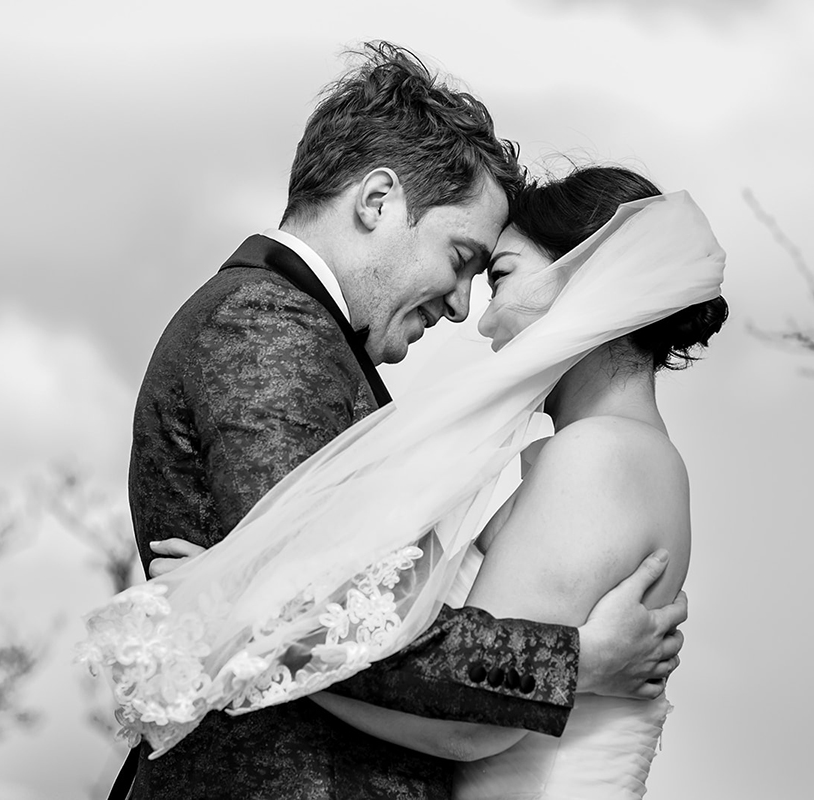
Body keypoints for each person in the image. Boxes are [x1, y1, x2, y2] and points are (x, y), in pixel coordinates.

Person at [98, 43, 687, 800]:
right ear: (377, 201)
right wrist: (574, 662)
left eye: (490, 273)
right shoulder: (266, 327)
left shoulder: (592, 456)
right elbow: (316, 608)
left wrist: (232, 619)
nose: (462, 306)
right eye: (463, 256)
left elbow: (302, 615)